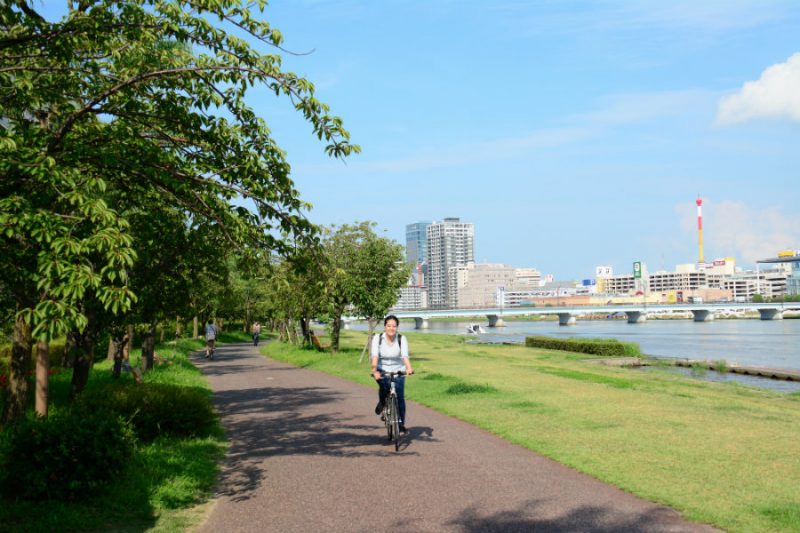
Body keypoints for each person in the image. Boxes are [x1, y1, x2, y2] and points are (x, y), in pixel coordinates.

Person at [371, 315, 414, 433]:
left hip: (398, 370)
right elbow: (374, 355)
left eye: (394, 326)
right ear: (384, 326)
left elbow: (405, 355)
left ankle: (400, 424)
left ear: (397, 327)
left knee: (400, 397)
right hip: (382, 369)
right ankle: (383, 402)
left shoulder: (401, 338)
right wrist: (374, 370)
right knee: (384, 387)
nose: (391, 328)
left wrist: (409, 368)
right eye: (389, 326)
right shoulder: (378, 338)